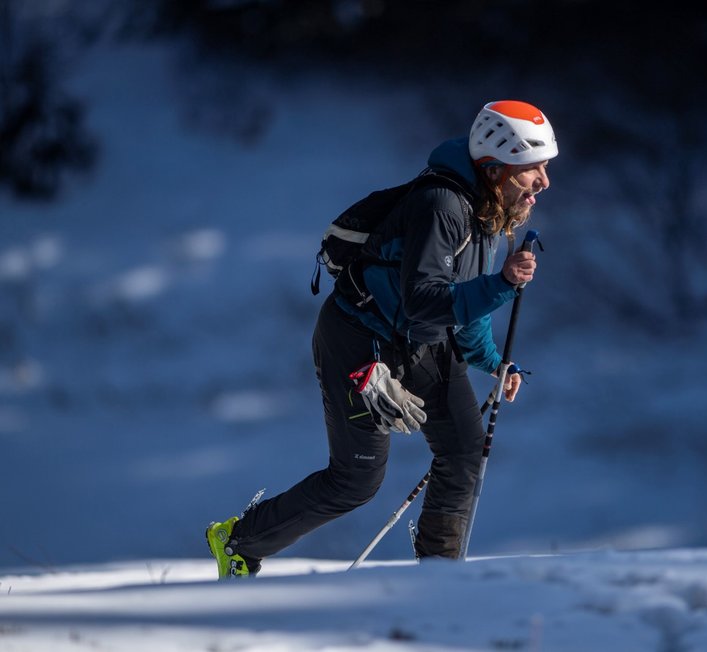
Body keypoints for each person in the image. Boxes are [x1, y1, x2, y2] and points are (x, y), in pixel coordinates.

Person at [205, 100, 558, 577]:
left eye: (544, 168)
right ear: (495, 168)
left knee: (463, 452)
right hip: (359, 342)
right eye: (531, 169)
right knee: (355, 481)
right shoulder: (442, 205)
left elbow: (463, 309)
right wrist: (503, 284)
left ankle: (438, 576)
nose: (543, 182)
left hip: (420, 340)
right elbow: (425, 299)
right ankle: (238, 540)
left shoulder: (488, 209)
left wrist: (494, 362)